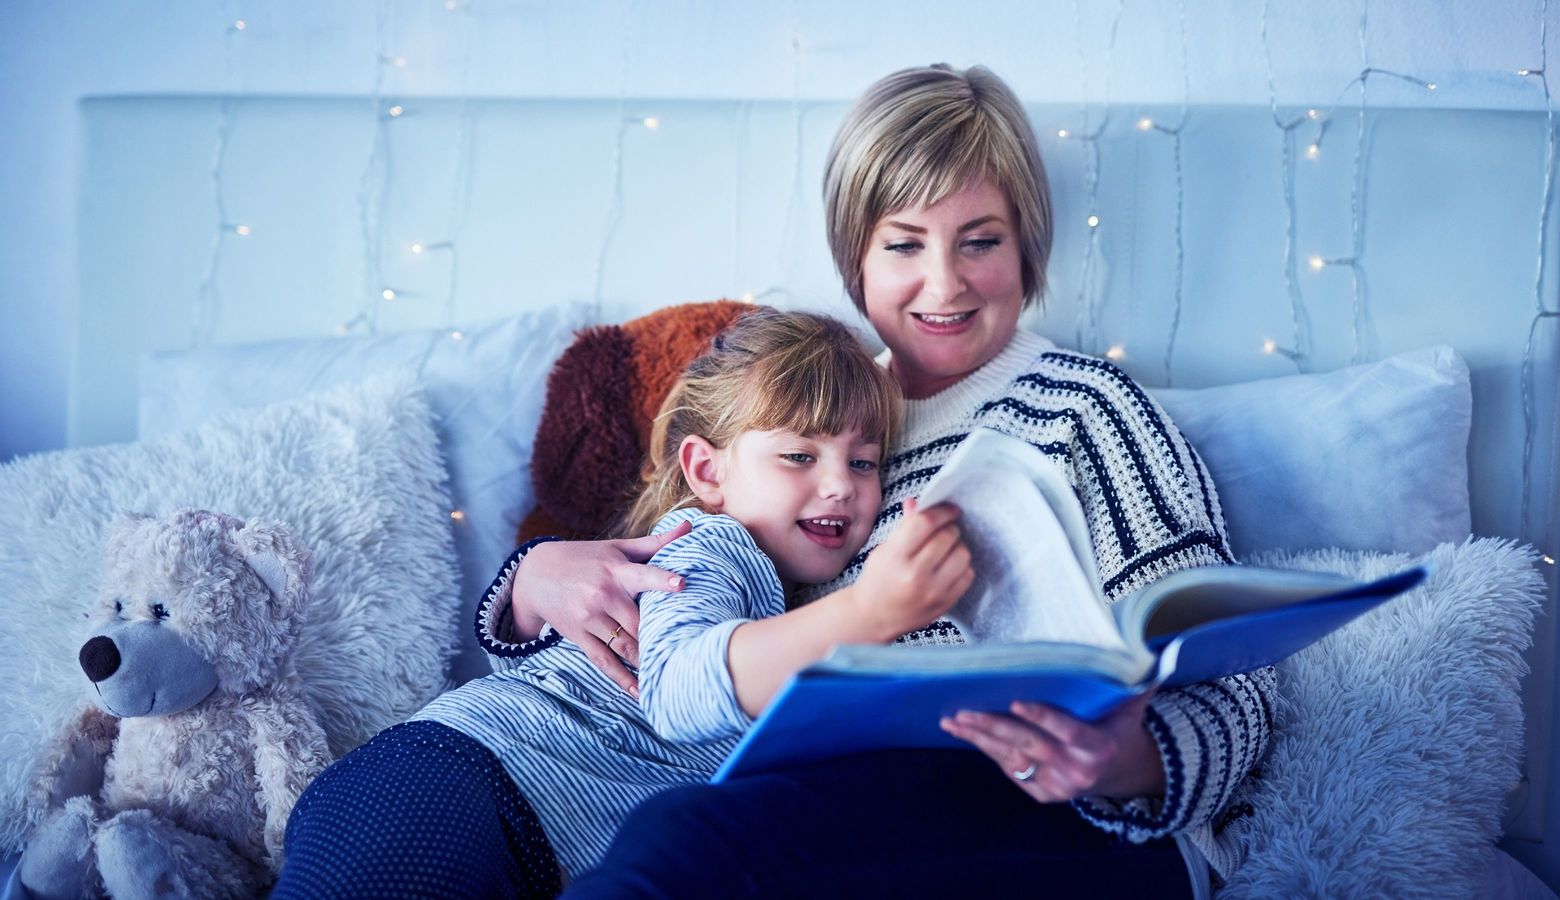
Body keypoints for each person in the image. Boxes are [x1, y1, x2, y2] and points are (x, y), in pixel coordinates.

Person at [528, 64, 1277, 899]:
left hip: (1082, 822)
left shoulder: (1086, 408)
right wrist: (533, 575)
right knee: (678, 830)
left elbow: (1236, 673)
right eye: (905, 243)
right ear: (857, 256)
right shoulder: (812, 421)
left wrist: (1123, 759)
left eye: (981, 240)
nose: (946, 283)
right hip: (832, 809)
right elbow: (679, 610)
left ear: (1027, 250)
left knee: (692, 845)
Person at [272, 309, 974, 897]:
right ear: (707, 470)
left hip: (517, 828)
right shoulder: (710, 548)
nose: (840, 487)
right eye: (799, 456)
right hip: (461, 787)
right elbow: (679, 689)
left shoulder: (773, 596)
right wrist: (870, 614)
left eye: (863, 461)